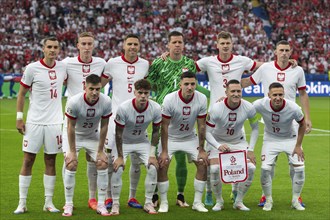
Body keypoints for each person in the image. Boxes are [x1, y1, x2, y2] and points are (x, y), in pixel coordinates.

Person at [241, 40, 311, 207]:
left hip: (292, 120)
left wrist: (307, 117)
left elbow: (303, 94)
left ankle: (297, 196)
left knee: (295, 163)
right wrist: (228, 85)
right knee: (268, 165)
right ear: (275, 52)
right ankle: (266, 196)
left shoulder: (298, 70)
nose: (284, 53)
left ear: (291, 51)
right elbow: (247, 82)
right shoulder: (265, 68)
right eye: (281, 50)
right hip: (271, 121)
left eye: (287, 50)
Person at [148, 31, 209, 208]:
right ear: (167, 45)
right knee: (160, 158)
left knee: (182, 159)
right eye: (173, 42)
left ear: (183, 45)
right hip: (163, 110)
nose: (177, 45)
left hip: (186, 112)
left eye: (180, 42)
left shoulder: (189, 63)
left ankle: (180, 195)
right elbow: (149, 83)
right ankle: (155, 195)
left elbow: (194, 83)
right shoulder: (160, 62)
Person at [14, 36, 67, 214]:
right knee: (28, 160)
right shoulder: (32, 68)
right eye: (49, 47)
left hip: (54, 123)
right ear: (43, 49)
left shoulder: (63, 67)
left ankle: (49, 203)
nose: (53, 50)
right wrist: (19, 118)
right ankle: (22, 203)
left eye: (56, 47)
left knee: (51, 161)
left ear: (59, 50)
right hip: (34, 122)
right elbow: (21, 94)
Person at [101, 34, 149, 209]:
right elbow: (99, 84)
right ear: (123, 45)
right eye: (129, 44)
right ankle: (108, 197)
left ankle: (132, 197)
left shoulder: (145, 64)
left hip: (138, 120)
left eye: (136, 44)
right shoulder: (112, 63)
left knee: (136, 161)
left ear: (139, 46)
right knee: (111, 159)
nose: (132, 47)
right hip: (116, 120)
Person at [62, 32, 106, 211]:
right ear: (77, 45)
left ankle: (93, 199)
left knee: (95, 160)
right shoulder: (67, 63)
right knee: (70, 162)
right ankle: (68, 203)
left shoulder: (101, 63)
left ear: (93, 45)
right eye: (84, 44)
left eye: (90, 43)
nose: (87, 47)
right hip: (73, 118)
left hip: (92, 122)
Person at [157, 71, 209, 213]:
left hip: (189, 137)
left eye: (193, 84)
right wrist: (164, 151)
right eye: (186, 84)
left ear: (196, 84)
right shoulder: (169, 99)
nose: (190, 87)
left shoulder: (202, 98)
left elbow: (201, 125)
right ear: (180, 85)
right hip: (171, 138)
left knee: (203, 163)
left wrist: (202, 150)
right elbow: (164, 126)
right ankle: (164, 202)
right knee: (163, 164)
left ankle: (197, 202)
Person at [62, 74, 112, 217]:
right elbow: (70, 127)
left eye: (98, 89)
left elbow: (104, 126)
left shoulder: (106, 101)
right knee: (71, 163)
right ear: (85, 86)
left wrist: (101, 150)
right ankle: (69, 204)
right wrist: (72, 151)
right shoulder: (74, 101)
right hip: (74, 135)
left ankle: (101, 204)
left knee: (103, 162)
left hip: (92, 135)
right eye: (91, 89)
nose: (95, 93)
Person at [205, 79, 259, 211]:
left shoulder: (249, 107)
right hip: (217, 141)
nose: (236, 94)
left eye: (238, 91)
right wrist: (218, 146)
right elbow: (206, 132)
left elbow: (256, 128)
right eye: (233, 91)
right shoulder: (216, 108)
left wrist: (251, 149)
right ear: (226, 92)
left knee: (251, 168)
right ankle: (219, 201)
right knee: (214, 169)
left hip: (238, 142)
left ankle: (239, 201)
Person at [110, 79, 161, 215]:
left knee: (153, 168)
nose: (143, 96)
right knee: (118, 168)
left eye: (146, 93)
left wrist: (152, 154)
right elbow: (118, 134)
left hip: (141, 141)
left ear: (150, 93)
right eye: (140, 93)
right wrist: (120, 157)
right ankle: (115, 204)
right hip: (123, 142)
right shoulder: (124, 108)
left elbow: (156, 131)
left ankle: (148, 203)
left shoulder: (155, 108)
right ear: (134, 93)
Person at [253, 82, 306, 211]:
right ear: (268, 95)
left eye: (280, 94)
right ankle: (268, 200)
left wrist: (298, 146)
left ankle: (295, 200)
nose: (278, 97)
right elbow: (242, 108)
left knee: (299, 168)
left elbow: (303, 124)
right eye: (275, 95)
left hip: (290, 138)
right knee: (265, 169)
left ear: (284, 95)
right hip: (270, 139)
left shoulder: (293, 108)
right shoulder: (259, 104)